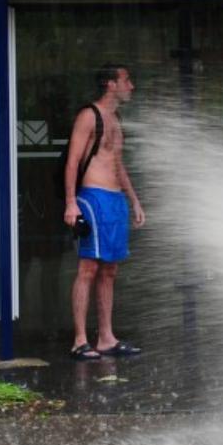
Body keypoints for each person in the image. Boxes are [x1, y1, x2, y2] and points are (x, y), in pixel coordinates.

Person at [63, 63, 146, 360]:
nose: (131, 86)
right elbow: (72, 161)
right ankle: (80, 339)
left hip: (114, 200)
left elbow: (117, 164)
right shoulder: (89, 116)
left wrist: (133, 200)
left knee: (110, 269)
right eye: (126, 80)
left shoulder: (116, 118)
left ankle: (106, 338)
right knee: (89, 268)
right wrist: (71, 202)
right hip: (92, 198)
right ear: (111, 84)